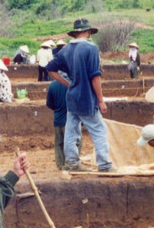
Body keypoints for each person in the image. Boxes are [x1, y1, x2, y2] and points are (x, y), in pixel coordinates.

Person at [46, 18, 115, 173]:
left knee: (71, 131)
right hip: (86, 98)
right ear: (89, 32)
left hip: (72, 98)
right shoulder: (91, 48)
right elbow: (95, 77)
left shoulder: (65, 49)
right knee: (99, 131)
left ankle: (72, 163)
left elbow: (50, 69)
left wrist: (68, 84)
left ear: (75, 33)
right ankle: (104, 165)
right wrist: (101, 100)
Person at [46, 71, 81, 169]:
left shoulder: (52, 85)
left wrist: (57, 109)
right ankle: (72, 163)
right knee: (75, 141)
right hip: (72, 120)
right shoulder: (72, 84)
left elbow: (49, 103)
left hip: (57, 120)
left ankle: (60, 164)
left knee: (59, 143)